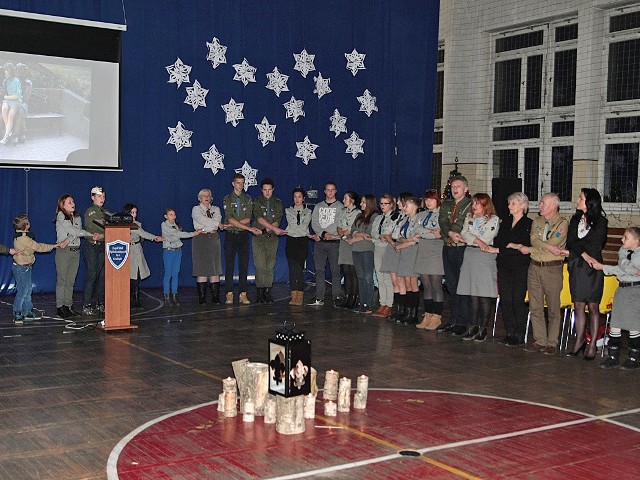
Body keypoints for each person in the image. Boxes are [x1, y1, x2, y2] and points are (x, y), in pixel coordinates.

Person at [559, 188, 607, 360]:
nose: (577, 200)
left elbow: (596, 243)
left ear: (589, 202)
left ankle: (592, 344)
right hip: (578, 265)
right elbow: (571, 242)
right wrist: (583, 254)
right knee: (578, 305)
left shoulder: (601, 221)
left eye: (580, 198)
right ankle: (579, 340)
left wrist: (583, 251)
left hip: (593, 268)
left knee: (593, 307)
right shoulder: (575, 219)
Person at [523, 193, 568, 355]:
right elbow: (534, 239)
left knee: (553, 308)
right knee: (535, 306)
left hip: (552, 269)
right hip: (534, 267)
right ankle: (540, 339)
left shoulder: (562, 223)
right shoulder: (537, 221)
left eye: (543, 203)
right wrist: (546, 247)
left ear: (553, 206)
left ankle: (552, 342)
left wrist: (542, 247)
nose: (539, 205)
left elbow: (554, 241)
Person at [487, 192, 532, 346]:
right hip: (505, 265)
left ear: (522, 205)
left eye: (513, 203)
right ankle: (509, 332)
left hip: (520, 266)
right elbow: (499, 241)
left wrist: (510, 246)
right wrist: (513, 245)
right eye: (509, 203)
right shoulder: (505, 222)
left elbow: (525, 245)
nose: (509, 206)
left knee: (517, 300)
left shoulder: (529, 224)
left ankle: (519, 334)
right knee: (506, 299)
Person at [592, 227, 640, 369]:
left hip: (635, 290)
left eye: (626, 237)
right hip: (622, 289)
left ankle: (634, 358)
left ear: (637, 241)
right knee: (615, 324)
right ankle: (613, 356)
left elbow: (629, 269)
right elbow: (627, 269)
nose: (622, 239)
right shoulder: (623, 251)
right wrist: (628, 266)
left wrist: (605, 266)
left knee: (633, 325)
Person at [454, 193, 500, 342]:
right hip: (470, 254)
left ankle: (483, 328)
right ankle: (472, 326)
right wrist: (476, 240)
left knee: (484, 294)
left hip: (485, 257)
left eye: (476, 204)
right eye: (472, 203)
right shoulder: (470, 217)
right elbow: (463, 233)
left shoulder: (493, 219)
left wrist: (475, 239)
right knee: (472, 293)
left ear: (485, 205)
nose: (473, 207)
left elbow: (487, 238)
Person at [12, 214, 67, 323]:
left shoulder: (22, 236)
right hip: (21, 268)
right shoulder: (24, 239)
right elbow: (39, 247)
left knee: (27, 290)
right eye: (27, 222)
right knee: (23, 291)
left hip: (26, 267)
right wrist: (55, 246)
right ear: (26, 226)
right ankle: (17, 312)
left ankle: (27, 311)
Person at [54, 194, 101, 319]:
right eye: (69, 202)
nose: (72, 204)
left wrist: (68, 240)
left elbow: (76, 232)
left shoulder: (78, 217)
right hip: (64, 252)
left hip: (75, 251)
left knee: (71, 281)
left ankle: (68, 306)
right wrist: (90, 234)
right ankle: (60, 307)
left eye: (73, 201)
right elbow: (75, 231)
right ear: (62, 205)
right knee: (62, 280)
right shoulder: (60, 216)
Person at [437, 176, 472, 336]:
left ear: (466, 189)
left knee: (462, 285)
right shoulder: (447, 204)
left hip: (461, 248)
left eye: (458, 186)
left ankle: (463, 322)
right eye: (452, 186)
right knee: (451, 286)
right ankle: (454, 319)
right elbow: (442, 221)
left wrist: (452, 231)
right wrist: (449, 233)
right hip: (448, 246)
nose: (455, 189)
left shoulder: (470, 204)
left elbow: (462, 223)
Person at [222, 173, 261, 305]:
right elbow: (229, 217)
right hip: (230, 235)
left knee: (243, 265)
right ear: (233, 183)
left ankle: (243, 294)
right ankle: (229, 293)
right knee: (229, 266)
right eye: (238, 182)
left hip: (243, 235)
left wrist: (233, 222)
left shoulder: (248, 199)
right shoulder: (227, 198)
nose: (240, 185)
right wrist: (235, 223)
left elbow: (248, 219)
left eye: (242, 183)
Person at [307, 182, 344, 306]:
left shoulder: (340, 206)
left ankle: (337, 296)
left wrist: (330, 234)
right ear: (324, 191)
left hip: (334, 242)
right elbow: (314, 223)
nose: (330, 192)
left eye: (332, 190)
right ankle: (319, 297)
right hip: (320, 243)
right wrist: (323, 234)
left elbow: (339, 222)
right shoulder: (318, 206)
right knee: (319, 270)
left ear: (336, 191)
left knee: (335, 271)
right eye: (328, 190)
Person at [414, 189, 444, 330]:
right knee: (426, 284)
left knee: (435, 284)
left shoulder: (442, 214)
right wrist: (429, 231)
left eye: (431, 199)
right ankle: (427, 314)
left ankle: (436, 316)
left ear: (437, 200)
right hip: (423, 249)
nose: (428, 202)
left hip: (436, 249)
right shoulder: (421, 214)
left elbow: (439, 233)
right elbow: (416, 229)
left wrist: (428, 232)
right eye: (426, 199)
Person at [252, 178, 286, 303]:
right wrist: (271, 229)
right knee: (260, 265)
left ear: (273, 190)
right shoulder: (256, 201)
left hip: (272, 238)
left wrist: (271, 230)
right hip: (259, 238)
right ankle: (260, 293)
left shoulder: (277, 203)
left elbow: (278, 219)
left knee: (270, 265)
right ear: (261, 190)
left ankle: (267, 292)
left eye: (269, 190)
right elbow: (259, 218)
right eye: (265, 190)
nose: (267, 192)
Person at [123, 203, 163, 309]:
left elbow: (143, 234)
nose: (134, 215)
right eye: (132, 212)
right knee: (131, 277)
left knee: (137, 276)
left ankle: (136, 300)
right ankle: (130, 300)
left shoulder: (137, 224)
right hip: (128, 251)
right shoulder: (122, 224)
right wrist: (154, 237)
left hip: (137, 250)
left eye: (135, 212)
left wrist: (154, 237)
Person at [380, 193, 412, 321]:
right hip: (393, 247)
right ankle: (397, 309)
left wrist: (396, 240)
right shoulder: (398, 216)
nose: (398, 203)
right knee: (394, 281)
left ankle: (404, 310)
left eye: (400, 201)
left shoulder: (409, 217)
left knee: (401, 281)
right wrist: (392, 242)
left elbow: (405, 235)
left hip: (403, 248)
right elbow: (388, 232)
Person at [161, 208, 202, 306]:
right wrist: (193, 233)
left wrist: (169, 237)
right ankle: (166, 296)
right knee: (168, 274)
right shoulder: (164, 225)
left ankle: (175, 295)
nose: (173, 216)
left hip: (178, 251)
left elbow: (176, 236)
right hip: (169, 251)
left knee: (175, 274)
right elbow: (177, 234)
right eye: (171, 214)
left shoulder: (176, 225)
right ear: (165, 216)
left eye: (174, 214)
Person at [392, 197, 423, 325]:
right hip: (405, 251)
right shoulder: (406, 219)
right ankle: (407, 312)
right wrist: (405, 241)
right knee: (406, 282)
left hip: (413, 251)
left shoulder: (418, 219)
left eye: (408, 205)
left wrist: (401, 244)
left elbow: (415, 240)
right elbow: (400, 236)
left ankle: (413, 313)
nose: (405, 208)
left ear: (415, 206)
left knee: (413, 283)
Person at [346, 194, 378, 313]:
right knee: (360, 277)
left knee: (368, 277)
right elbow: (353, 230)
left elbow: (369, 234)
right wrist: (359, 235)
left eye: (363, 202)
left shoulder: (374, 217)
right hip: (356, 249)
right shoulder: (359, 215)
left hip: (367, 249)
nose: (361, 204)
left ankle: (367, 303)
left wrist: (354, 238)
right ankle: (361, 302)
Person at [191, 189, 224, 305]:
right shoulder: (196, 209)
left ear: (211, 198)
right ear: (199, 198)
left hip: (214, 239)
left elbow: (217, 219)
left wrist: (215, 224)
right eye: (204, 196)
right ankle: (202, 298)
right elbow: (201, 220)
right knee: (202, 269)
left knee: (215, 268)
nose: (206, 197)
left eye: (208, 195)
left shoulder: (216, 209)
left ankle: (215, 298)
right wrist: (216, 224)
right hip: (200, 239)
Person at [82, 186, 108, 315]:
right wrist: (104, 233)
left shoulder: (106, 212)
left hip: (102, 246)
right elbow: (93, 228)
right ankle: (86, 304)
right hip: (92, 245)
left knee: (102, 276)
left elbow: (109, 228)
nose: (101, 199)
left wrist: (104, 235)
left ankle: (100, 303)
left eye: (103, 196)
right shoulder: (91, 211)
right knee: (92, 275)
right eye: (99, 196)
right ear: (92, 197)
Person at [284, 187, 312, 305]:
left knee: (299, 269)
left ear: (303, 198)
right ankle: (293, 294)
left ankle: (300, 295)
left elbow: (302, 226)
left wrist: (303, 232)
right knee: (292, 269)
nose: (297, 199)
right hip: (291, 241)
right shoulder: (288, 210)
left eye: (299, 197)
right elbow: (293, 225)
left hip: (302, 242)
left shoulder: (308, 211)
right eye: (295, 197)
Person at [371, 195, 396, 318]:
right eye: (381, 203)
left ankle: (389, 304)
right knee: (380, 277)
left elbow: (391, 232)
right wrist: (379, 236)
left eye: (385, 203)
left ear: (391, 204)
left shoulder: (394, 217)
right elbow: (374, 231)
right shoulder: (378, 218)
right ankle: (382, 303)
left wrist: (385, 236)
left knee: (387, 278)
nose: (383, 206)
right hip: (378, 247)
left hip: (387, 249)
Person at [336, 191, 361, 309]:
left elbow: (351, 228)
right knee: (345, 271)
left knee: (353, 272)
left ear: (352, 200)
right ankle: (347, 296)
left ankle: (354, 298)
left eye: (345, 198)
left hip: (353, 242)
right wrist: (342, 236)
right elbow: (339, 227)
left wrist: (345, 235)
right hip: (344, 242)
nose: (343, 200)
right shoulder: (342, 211)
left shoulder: (358, 213)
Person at [1, 62, 23, 144]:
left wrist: (6, 97)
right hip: (8, 100)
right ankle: (9, 130)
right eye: (5, 71)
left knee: (10, 116)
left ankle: (6, 137)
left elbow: (17, 96)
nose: (5, 73)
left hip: (16, 101)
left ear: (11, 71)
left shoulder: (16, 81)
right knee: (4, 108)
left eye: (7, 71)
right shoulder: (6, 80)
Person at [14, 63, 32, 143]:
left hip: (22, 104)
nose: (18, 71)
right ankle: (22, 136)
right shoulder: (19, 80)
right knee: (21, 120)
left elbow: (26, 97)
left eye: (19, 70)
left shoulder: (27, 82)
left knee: (19, 119)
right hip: (20, 103)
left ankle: (17, 136)